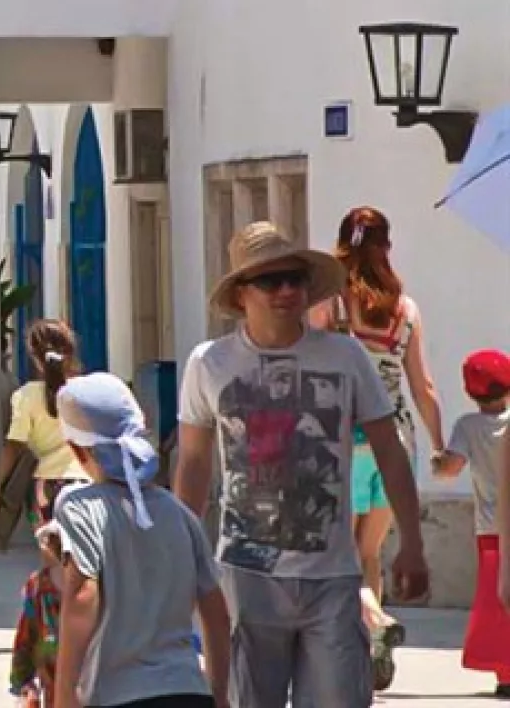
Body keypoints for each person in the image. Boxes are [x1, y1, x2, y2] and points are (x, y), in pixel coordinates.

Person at [175, 221, 429, 708]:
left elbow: (389, 448)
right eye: (270, 281)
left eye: (295, 278)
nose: (287, 290)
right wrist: (179, 552)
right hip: (247, 575)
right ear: (242, 294)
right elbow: (193, 462)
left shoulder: (344, 356)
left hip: (331, 574)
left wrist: (413, 544)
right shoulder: (210, 364)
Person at [304, 206, 443, 690]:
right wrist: (440, 445)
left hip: (340, 440)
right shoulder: (406, 310)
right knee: (370, 552)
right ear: (387, 246)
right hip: (394, 444)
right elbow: (423, 386)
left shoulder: (330, 305)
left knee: (341, 556)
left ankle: (366, 634)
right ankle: (372, 645)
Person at [50, 373, 233, 708]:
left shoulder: (78, 507)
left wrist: (63, 694)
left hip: (117, 695)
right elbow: (217, 615)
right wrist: (219, 696)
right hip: (188, 691)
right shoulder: (179, 513)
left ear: (76, 449)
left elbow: (83, 595)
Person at [3, 321, 92, 703]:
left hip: (47, 488)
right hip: (86, 484)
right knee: (87, 564)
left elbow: (14, 445)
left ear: (35, 358)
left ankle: (52, 635)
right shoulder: (86, 392)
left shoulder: (26, 397)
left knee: (52, 570)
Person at [433, 348, 510, 697]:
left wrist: (438, 458)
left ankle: (505, 671)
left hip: (491, 529)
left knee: (496, 600)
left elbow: (450, 469)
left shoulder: (467, 426)